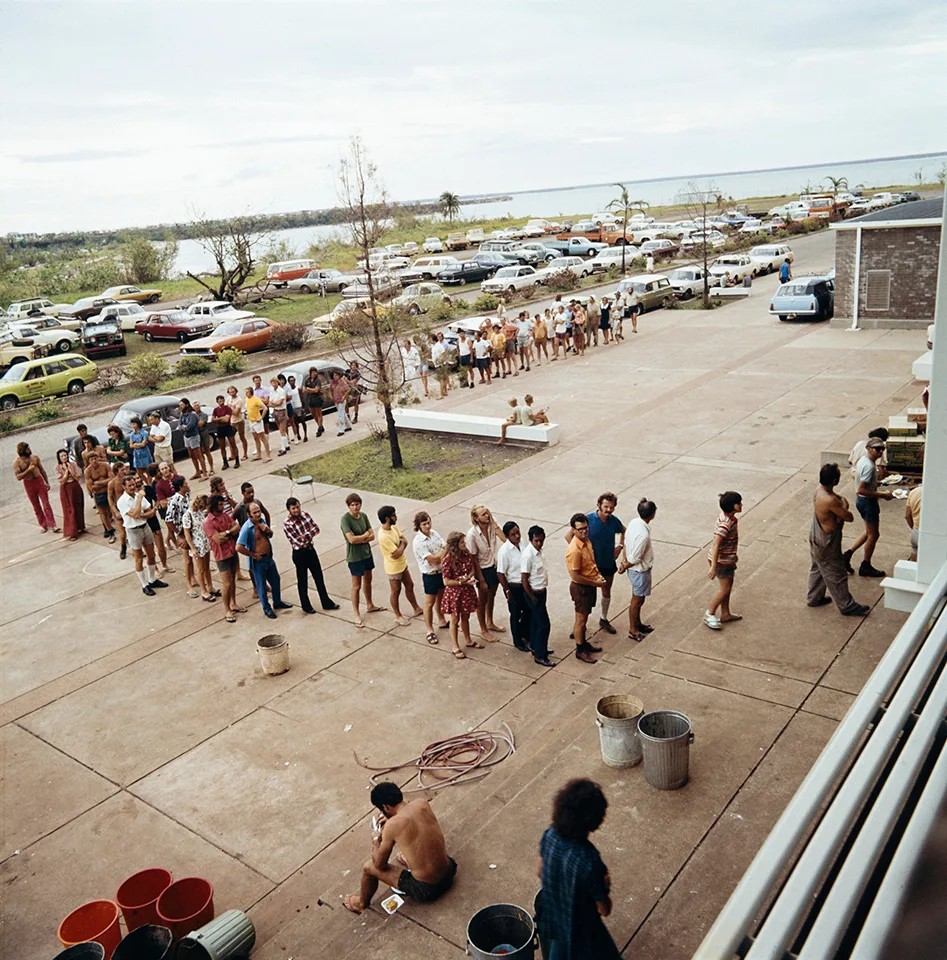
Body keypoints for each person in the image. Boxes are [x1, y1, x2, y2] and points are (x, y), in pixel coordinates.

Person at [343, 781, 457, 915]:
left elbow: (379, 864)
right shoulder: (422, 803)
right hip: (450, 871)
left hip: (427, 889)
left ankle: (361, 903)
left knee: (368, 868)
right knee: (413, 841)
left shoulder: (392, 826)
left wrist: (375, 839)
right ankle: (412, 862)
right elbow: (411, 822)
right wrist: (391, 818)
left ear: (385, 807)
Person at [537, 779, 621, 960]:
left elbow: (539, 871)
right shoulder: (589, 859)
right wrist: (605, 884)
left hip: (556, 918)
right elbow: (604, 909)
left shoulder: (550, 834)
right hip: (583, 929)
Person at [807, 463, 871, 617]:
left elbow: (837, 500)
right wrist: (845, 506)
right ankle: (847, 605)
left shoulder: (820, 490)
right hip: (827, 542)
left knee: (818, 567)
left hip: (816, 536)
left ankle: (814, 597)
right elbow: (848, 517)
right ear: (835, 480)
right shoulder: (830, 500)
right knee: (836, 573)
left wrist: (840, 503)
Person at [565, 493, 624, 635]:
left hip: (607, 562)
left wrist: (620, 546)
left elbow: (624, 530)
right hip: (589, 567)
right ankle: (579, 626)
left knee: (606, 589)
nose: (608, 510)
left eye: (611, 507)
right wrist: (581, 554)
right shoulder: (588, 520)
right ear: (599, 505)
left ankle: (603, 619)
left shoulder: (614, 521)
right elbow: (569, 536)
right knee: (584, 599)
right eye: (606, 506)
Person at [844, 438, 893, 578]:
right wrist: (882, 495)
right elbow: (861, 489)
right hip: (867, 502)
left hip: (863, 502)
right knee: (874, 534)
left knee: (868, 532)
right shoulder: (870, 466)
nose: (880, 452)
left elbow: (864, 483)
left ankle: (847, 555)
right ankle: (865, 565)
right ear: (869, 449)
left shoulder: (864, 461)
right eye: (878, 449)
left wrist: (877, 482)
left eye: (882, 449)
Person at [283, 497, 340, 614]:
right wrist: (307, 536)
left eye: (297, 507)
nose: (296, 510)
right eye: (293, 508)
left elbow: (316, 528)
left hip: (310, 550)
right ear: (289, 510)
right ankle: (306, 605)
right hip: (299, 554)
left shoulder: (305, 515)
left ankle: (326, 602)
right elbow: (297, 541)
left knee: (318, 576)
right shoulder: (288, 524)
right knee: (302, 580)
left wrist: (306, 535)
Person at [237, 501, 293, 619]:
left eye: (259, 512)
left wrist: (267, 530)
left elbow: (270, 535)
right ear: (249, 514)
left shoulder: (262, 522)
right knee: (261, 586)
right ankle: (267, 608)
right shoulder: (247, 528)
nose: (258, 514)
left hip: (268, 557)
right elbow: (238, 547)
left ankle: (277, 602)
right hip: (258, 561)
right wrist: (252, 554)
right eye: (255, 512)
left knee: (276, 580)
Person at [117, 474, 168, 597]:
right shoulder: (122, 501)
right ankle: (144, 584)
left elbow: (150, 512)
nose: (132, 487)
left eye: (133, 485)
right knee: (138, 558)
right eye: (129, 486)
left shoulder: (137, 495)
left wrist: (140, 514)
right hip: (133, 530)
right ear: (124, 487)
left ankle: (152, 579)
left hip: (145, 527)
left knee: (151, 554)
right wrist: (139, 500)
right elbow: (135, 515)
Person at [565, 513, 606, 663]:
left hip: (589, 584)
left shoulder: (585, 541)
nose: (584, 531)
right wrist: (595, 583)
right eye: (580, 529)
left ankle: (583, 642)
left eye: (585, 528)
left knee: (585, 617)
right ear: (573, 530)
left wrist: (596, 576)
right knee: (580, 620)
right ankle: (579, 649)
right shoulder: (575, 549)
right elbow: (575, 576)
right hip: (581, 587)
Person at [377, 505, 424, 627]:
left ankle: (416, 608)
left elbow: (404, 541)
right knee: (395, 591)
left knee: (410, 585)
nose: (396, 517)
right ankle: (397, 615)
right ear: (387, 518)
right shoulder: (384, 536)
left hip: (402, 564)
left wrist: (401, 545)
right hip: (393, 568)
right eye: (393, 515)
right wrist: (402, 545)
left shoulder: (394, 527)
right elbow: (397, 553)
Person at [341, 492, 384, 627]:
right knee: (356, 586)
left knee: (368, 581)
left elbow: (372, 535)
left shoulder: (363, 516)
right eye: (352, 505)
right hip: (355, 557)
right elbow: (351, 540)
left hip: (366, 554)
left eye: (357, 504)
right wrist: (364, 535)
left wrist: (363, 536)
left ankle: (370, 604)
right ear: (348, 506)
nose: (355, 507)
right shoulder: (345, 519)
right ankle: (356, 613)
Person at [466, 504, 507, 643]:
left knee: (492, 594)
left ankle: (490, 622)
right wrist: (481, 579)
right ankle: (483, 629)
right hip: (482, 568)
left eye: (487, 513)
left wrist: (494, 523)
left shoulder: (491, 524)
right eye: (483, 514)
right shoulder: (472, 534)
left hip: (494, 564)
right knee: (482, 599)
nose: (487, 516)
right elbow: (473, 558)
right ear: (476, 518)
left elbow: (504, 539)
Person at [705, 490, 743, 630]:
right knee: (724, 589)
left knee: (727, 587)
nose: (741, 505)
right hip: (722, 561)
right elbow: (716, 544)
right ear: (734, 506)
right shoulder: (725, 524)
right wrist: (713, 566)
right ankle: (709, 613)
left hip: (727, 559)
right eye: (739, 503)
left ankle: (725, 613)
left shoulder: (729, 519)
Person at [620, 498, 657, 641]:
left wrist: (624, 560)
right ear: (652, 514)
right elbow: (636, 557)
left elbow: (626, 542)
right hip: (639, 571)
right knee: (637, 600)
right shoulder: (644, 535)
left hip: (634, 570)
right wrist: (625, 565)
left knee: (639, 599)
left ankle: (638, 624)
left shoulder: (634, 523)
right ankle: (633, 629)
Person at [441, 531, 481, 659]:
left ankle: (468, 640)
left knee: (466, 616)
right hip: (455, 593)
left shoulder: (466, 553)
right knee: (454, 619)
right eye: (462, 542)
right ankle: (455, 646)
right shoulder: (448, 559)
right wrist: (460, 581)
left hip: (466, 590)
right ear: (455, 545)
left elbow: (472, 568)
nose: (465, 544)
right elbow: (446, 581)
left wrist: (468, 577)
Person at [204, 494, 242, 622]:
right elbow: (218, 539)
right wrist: (230, 532)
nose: (222, 506)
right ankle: (227, 610)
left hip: (232, 551)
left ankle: (233, 603)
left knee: (233, 580)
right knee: (226, 583)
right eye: (220, 504)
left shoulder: (224, 516)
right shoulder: (208, 522)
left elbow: (237, 526)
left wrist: (227, 533)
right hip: (222, 555)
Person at [413, 511, 449, 644]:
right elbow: (433, 560)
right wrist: (441, 553)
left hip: (441, 572)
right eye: (424, 524)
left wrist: (441, 553)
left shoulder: (434, 534)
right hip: (430, 575)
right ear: (419, 526)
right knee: (429, 603)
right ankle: (429, 630)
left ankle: (441, 620)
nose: (427, 526)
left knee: (441, 597)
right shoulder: (418, 542)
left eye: (428, 523)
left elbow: (446, 547)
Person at [520, 525, 553, 666]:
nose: (539, 543)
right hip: (534, 594)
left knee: (535, 622)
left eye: (541, 540)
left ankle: (536, 646)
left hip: (541, 591)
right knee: (544, 625)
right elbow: (524, 579)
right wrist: (532, 596)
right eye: (536, 541)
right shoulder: (528, 555)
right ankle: (540, 655)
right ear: (530, 540)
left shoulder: (539, 551)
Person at [497, 521, 531, 652]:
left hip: (525, 584)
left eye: (518, 532)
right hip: (514, 586)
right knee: (516, 614)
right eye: (513, 534)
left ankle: (525, 634)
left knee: (528, 610)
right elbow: (500, 573)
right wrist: (507, 590)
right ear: (507, 536)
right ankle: (518, 641)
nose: (517, 536)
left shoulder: (523, 543)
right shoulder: (504, 552)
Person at [14, 442, 58, 534]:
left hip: (39, 481)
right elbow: (18, 477)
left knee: (46, 504)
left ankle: (53, 524)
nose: (29, 450)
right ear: (22, 451)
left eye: (29, 448)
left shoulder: (34, 458)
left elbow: (42, 470)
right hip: (28, 484)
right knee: (36, 506)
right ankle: (43, 524)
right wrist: (28, 470)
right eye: (27, 449)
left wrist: (47, 482)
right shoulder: (17, 463)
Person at [166, 477, 198, 597]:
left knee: (192, 557)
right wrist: (179, 534)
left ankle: (193, 578)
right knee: (187, 560)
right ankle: (189, 586)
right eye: (185, 484)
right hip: (182, 532)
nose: (188, 485)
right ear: (180, 487)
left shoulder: (188, 496)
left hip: (190, 530)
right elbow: (168, 520)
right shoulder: (174, 500)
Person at [183, 493, 216, 602]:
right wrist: (192, 548)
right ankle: (203, 590)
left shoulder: (201, 512)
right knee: (201, 569)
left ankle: (210, 586)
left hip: (205, 542)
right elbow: (187, 533)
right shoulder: (188, 515)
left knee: (207, 566)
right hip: (197, 544)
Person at [84, 447, 114, 540]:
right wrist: (105, 483)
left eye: (95, 458)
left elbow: (112, 479)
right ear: (89, 461)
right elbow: (91, 487)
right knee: (102, 512)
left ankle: (108, 526)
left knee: (111, 512)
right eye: (92, 459)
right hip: (98, 494)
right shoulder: (88, 471)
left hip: (109, 491)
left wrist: (98, 482)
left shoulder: (105, 465)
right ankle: (108, 530)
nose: (94, 461)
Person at [55, 448, 85, 540]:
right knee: (69, 509)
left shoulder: (73, 464)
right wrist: (66, 471)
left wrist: (70, 469)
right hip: (66, 488)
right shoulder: (57, 467)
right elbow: (62, 480)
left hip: (75, 486)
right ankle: (72, 532)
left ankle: (80, 526)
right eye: (62, 456)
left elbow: (77, 477)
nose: (64, 457)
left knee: (78, 506)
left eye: (65, 455)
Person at [108, 462, 131, 560]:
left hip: (130, 507)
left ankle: (138, 548)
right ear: (116, 472)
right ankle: (123, 547)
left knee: (133, 530)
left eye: (125, 469)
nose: (125, 471)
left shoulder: (129, 479)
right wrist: (115, 511)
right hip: (119, 509)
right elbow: (110, 498)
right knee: (122, 532)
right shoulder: (112, 483)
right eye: (122, 470)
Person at [179, 398, 205, 480]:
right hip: (186, 436)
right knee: (191, 455)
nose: (181, 407)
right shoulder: (182, 414)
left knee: (198, 455)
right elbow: (179, 425)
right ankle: (197, 472)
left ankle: (204, 472)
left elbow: (191, 426)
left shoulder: (193, 414)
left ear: (186, 405)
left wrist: (184, 427)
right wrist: (183, 427)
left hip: (193, 436)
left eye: (182, 405)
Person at [244, 386, 272, 462]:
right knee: (255, 438)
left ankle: (268, 455)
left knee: (263, 438)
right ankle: (258, 454)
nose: (246, 394)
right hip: (251, 421)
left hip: (257, 421)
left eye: (247, 392)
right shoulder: (247, 399)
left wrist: (261, 417)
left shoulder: (256, 399)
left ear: (251, 392)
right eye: (245, 392)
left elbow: (265, 408)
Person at [211, 395, 239, 469]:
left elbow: (226, 419)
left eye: (222, 400)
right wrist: (221, 418)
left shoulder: (228, 408)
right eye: (219, 401)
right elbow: (212, 420)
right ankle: (225, 462)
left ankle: (237, 460)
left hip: (228, 427)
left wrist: (218, 419)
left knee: (233, 444)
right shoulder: (215, 410)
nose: (221, 402)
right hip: (220, 428)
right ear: (217, 402)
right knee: (222, 446)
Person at [267, 376, 290, 456]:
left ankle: (283, 448)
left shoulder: (281, 391)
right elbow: (269, 402)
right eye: (272, 382)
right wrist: (273, 404)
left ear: (278, 382)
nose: (273, 384)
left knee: (282, 429)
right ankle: (286, 445)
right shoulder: (272, 391)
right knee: (279, 428)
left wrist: (273, 404)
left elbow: (279, 403)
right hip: (275, 411)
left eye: (275, 382)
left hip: (282, 411)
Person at [301, 366, 326, 438]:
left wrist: (309, 389)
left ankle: (319, 428)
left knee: (319, 414)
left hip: (317, 398)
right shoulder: (307, 380)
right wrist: (310, 389)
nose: (314, 373)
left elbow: (316, 390)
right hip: (310, 399)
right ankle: (320, 425)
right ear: (310, 373)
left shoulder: (317, 380)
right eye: (313, 372)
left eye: (315, 372)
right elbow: (304, 389)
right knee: (313, 414)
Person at [227, 385, 250, 460]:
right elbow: (226, 409)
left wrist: (230, 410)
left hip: (239, 421)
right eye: (230, 392)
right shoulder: (228, 399)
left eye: (233, 392)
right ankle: (232, 454)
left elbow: (236, 412)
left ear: (236, 391)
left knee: (242, 437)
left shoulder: (239, 400)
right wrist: (231, 410)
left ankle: (245, 454)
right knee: (231, 438)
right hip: (231, 421)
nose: (232, 393)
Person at [192, 402, 216, 476]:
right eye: (195, 406)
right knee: (199, 453)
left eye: (198, 405)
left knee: (207, 450)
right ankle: (203, 468)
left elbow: (200, 425)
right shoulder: (192, 415)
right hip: (196, 435)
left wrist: (192, 425)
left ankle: (211, 468)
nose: (196, 407)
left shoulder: (204, 415)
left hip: (203, 433)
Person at [286, 374, 306, 442]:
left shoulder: (298, 388)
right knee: (295, 422)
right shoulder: (288, 390)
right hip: (293, 407)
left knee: (302, 421)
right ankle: (297, 435)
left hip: (299, 406)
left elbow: (302, 398)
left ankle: (305, 435)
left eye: (293, 380)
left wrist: (303, 407)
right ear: (288, 382)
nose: (292, 382)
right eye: (291, 381)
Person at [331, 371, 352, 435]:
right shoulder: (332, 383)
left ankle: (341, 430)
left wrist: (344, 397)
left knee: (341, 415)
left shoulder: (342, 382)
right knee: (343, 413)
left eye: (336, 375)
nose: (335, 377)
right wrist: (332, 397)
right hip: (336, 400)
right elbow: (331, 390)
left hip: (341, 400)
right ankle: (348, 426)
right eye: (334, 375)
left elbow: (348, 389)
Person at [906, 484, 923, 562]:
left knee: (913, 564)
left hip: (916, 531)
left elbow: (907, 515)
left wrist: (914, 528)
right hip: (928, 534)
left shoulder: (913, 492)